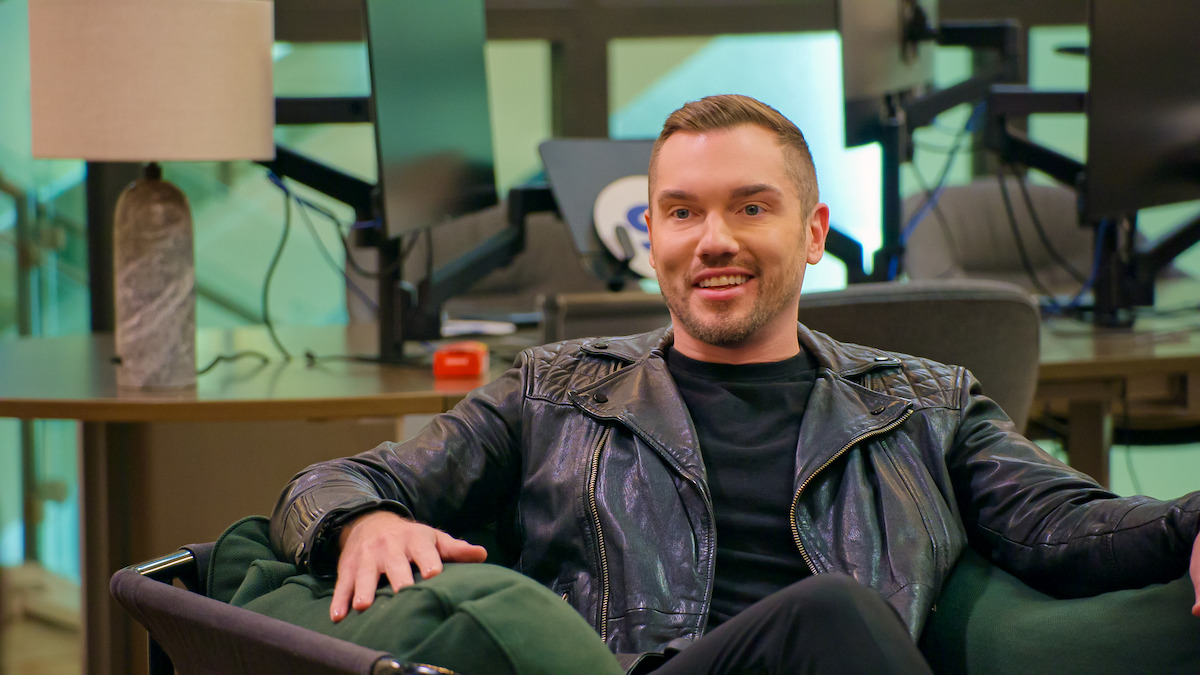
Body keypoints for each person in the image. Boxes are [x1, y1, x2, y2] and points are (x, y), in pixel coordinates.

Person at [271, 94, 1200, 673]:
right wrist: (364, 518)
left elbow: (1070, 525)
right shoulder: (554, 390)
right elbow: (322, 485)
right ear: (652, 238)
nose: (713, 240)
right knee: (835, 610)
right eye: (682, 213)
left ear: (812, 232)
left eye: (751, 207)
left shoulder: (927, 404)